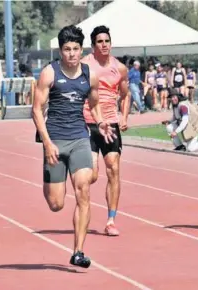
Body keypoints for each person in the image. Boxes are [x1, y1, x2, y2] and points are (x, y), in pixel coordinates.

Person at [32, 25, 114, 268]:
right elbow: (37, 109)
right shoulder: (49, 73)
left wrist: (100, 122)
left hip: (80, 138)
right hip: (55, 141)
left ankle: (78, 251)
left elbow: (95, 103)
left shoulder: (90, 75)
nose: (71, 54)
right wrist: (46, 143)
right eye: (67, 49)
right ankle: (52, 181)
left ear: (81, 50)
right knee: (56, 204)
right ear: (61, 51)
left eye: (76, 49)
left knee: (84, 191)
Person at [81, 25, 130, 237]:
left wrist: (124, 116)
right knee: (91, 175)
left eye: (107, 41)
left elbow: (125, 94)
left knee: (114, 169)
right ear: (93, 46)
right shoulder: (84, 64)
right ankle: (83, 208)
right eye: (100, 42)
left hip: (110, 124)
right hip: (86, 122)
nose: (104, 45)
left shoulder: (119, 68)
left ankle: (111, 220)